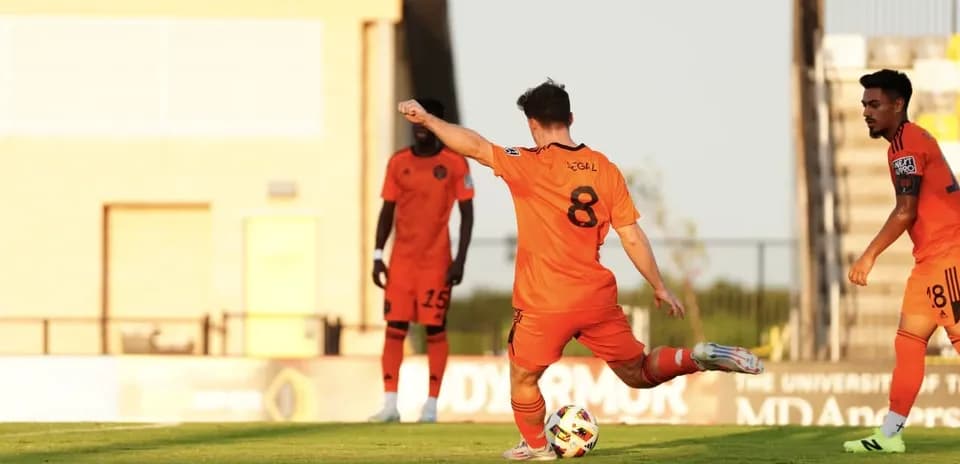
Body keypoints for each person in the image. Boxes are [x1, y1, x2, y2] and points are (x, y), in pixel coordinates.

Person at [397, 80, 763, 461]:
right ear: (571, 118)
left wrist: (428, 119)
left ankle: (537, 446)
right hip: (595, 299)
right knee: (639, 372)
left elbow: (474, 146)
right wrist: (659, 285)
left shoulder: (527, 162)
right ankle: (697, 357)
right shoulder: (605, 168)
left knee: (523, 377)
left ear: (532, 124)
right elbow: (632, 236)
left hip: (544, 302)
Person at [843, 69, 960, 453]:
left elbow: (905, 211)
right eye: (864, 104)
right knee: (908, 343)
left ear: (898, 104)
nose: (866, 112)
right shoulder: (903, 142)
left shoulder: (907, 145)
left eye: (874, 104)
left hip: (950, 257)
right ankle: (890, 435)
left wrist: (869, 255)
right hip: (930, 261)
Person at [368, 98, 475, 424]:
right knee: (394, 327)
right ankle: (390, 405)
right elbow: (387, 211)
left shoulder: (455, 164)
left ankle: (431, 406)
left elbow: (467, 215)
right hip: (401, 262)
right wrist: (377, 255)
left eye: (425, 121)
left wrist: (460, 259)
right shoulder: (398, 162)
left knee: (435, 329)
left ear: (436, 124)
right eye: (414, 122)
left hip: (436, 262)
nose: (419, 128)